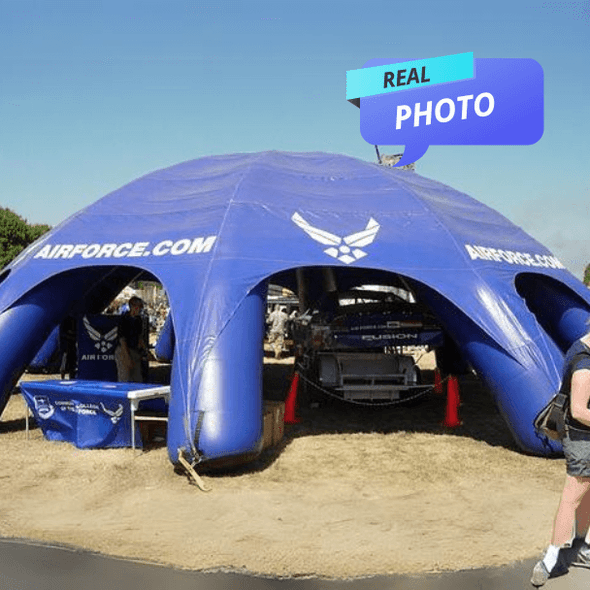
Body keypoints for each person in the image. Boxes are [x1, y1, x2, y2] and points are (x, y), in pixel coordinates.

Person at [531, 326, 590, 586]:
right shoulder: (584, 363)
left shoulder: (578, 346)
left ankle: (581, 547)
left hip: (582, 437)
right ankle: (550, 560)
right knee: (573, 495)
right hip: (581, 439)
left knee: (586, 491)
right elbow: (579, 410)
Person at [114, 296, 146, 382]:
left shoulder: (139, 320)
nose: (140, 309)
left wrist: (145, 351)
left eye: (141, 307)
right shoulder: (123, 319)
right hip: (123, 351)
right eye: (138, 307)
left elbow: (139, 337)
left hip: (134, 350)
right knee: (125, 378)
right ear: (132, 306)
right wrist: (127, 357)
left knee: (138, 378)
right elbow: (122, 340)